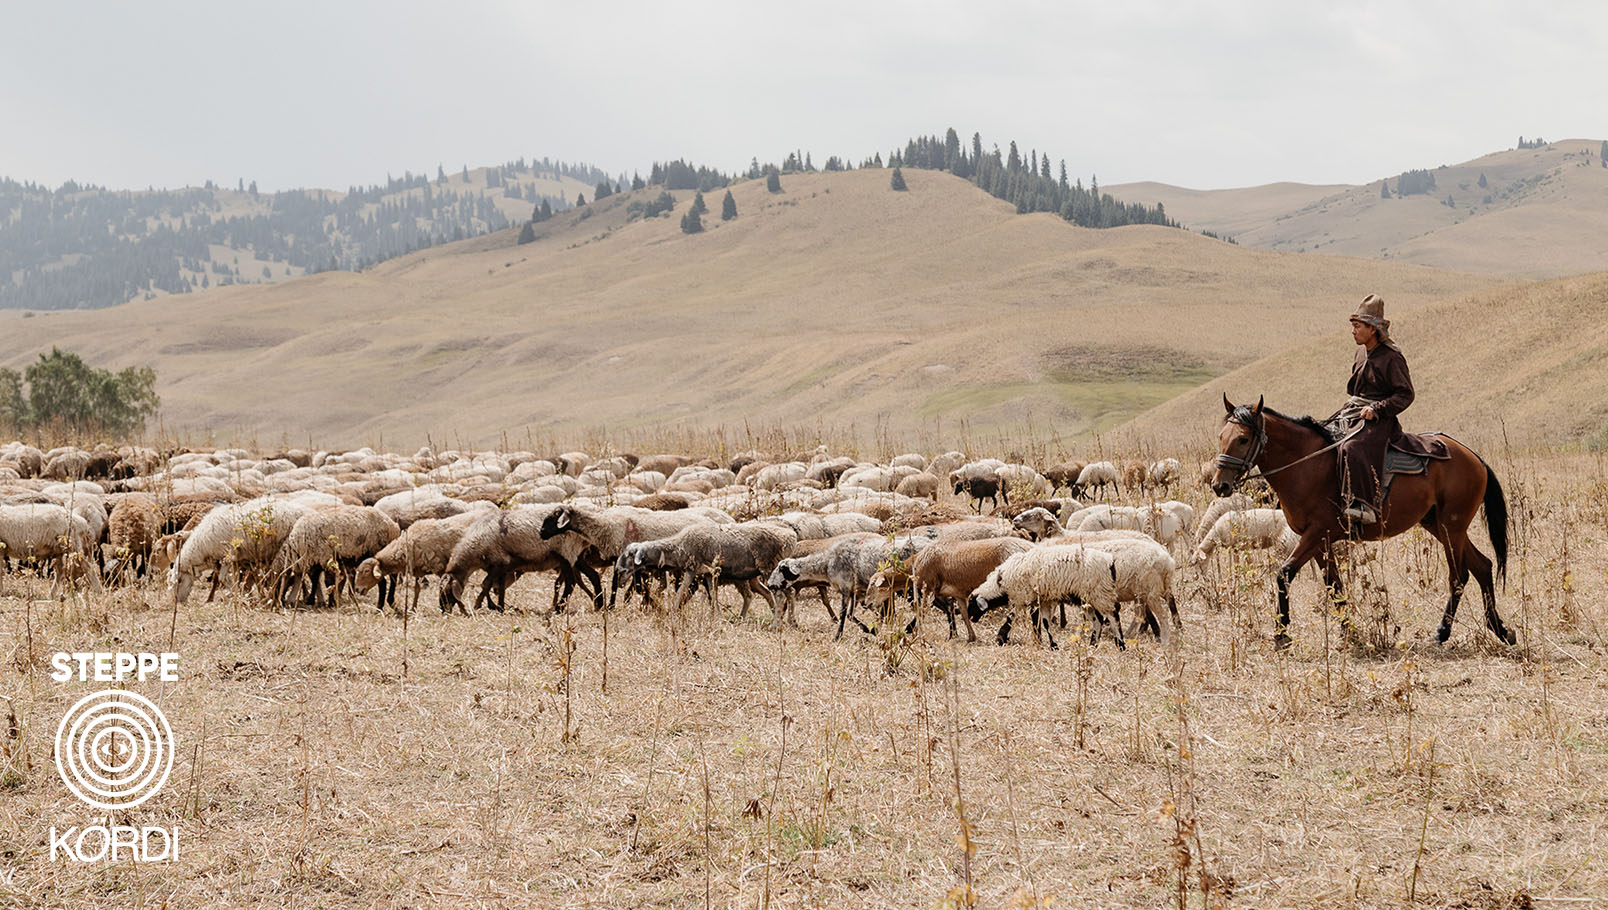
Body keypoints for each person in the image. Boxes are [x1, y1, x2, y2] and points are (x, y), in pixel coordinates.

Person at [1336, 294, 1413, 525]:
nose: (1353, 331)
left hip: (1380, 421)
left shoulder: (1392, 357)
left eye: (1358, 326)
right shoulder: (1361, 352)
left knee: (1352, 446)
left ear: (1372, 329)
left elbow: (1406, 394)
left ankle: (1364, 505)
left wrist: (1376, 409)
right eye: (1353, 326)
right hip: (1356, 411)